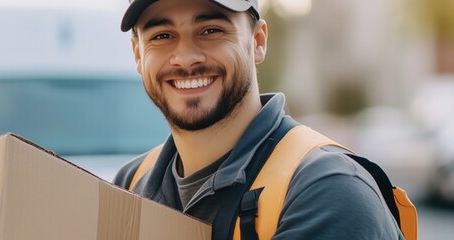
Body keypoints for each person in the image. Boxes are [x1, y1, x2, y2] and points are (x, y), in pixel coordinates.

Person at [112, 0, 407, 239]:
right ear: (138, 54)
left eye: (211, 30)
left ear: (258, 41)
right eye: (162, 36)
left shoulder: (328, 191)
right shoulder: (130, 183)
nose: (186, 57)